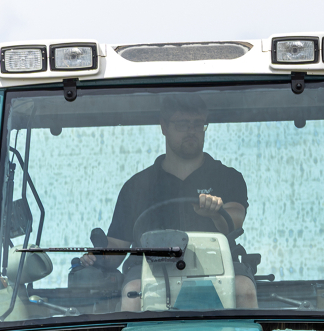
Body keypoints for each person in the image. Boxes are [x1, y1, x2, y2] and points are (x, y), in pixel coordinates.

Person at [78, 93, 257, 308]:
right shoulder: (136, 186)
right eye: (182, 124)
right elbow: (117, 245)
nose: (191, 131)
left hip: (218, 264)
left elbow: (235, 218)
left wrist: (217, 213)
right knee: (133, 293)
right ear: (164, 126)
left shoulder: (228, 177)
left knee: (244, 290)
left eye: (198, 124)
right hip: (150, 267)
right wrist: (99, 255)